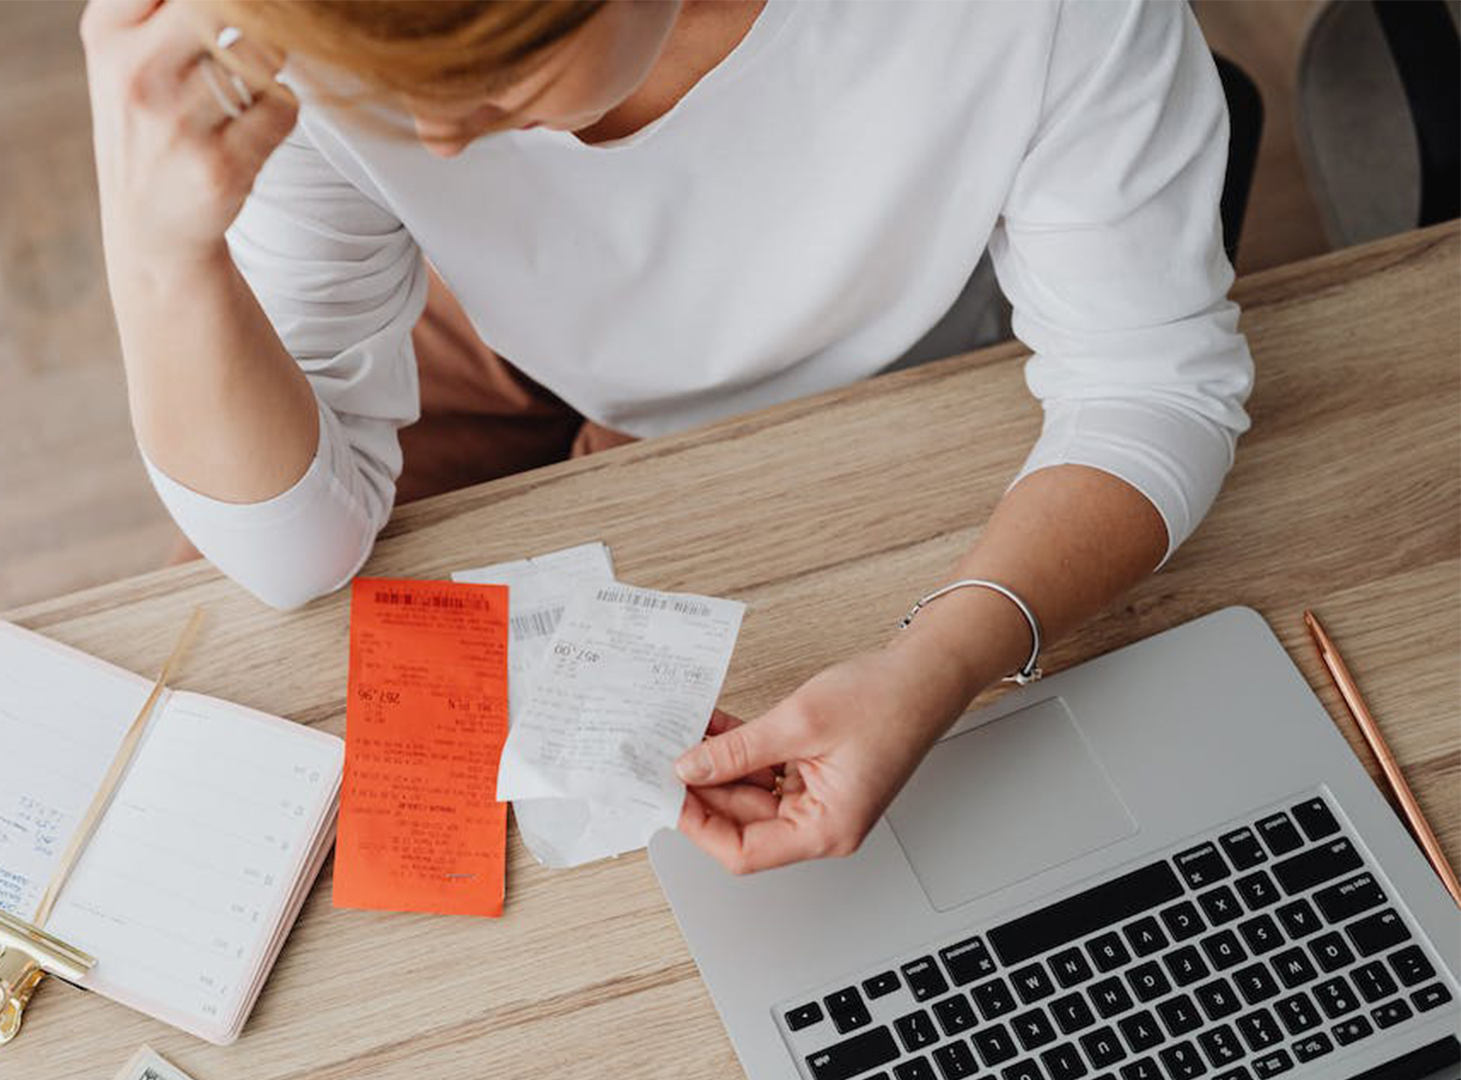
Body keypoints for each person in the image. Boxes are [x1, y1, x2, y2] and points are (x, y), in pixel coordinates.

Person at [79, 0, 1253, 874]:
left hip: (860, 338)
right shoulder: (304, 35)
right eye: (388, 88)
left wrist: (945, 659)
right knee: (216, 658)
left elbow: (1154, 386)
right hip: (465, 308)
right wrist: (156, 253)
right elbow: (293, 557)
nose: (435, 143)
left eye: (496, 71)